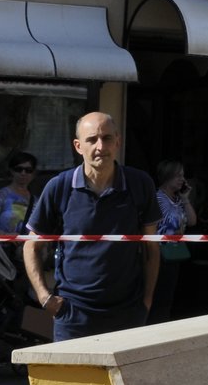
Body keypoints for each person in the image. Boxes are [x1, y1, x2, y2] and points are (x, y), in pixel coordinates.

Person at [23, 112, 159, 342]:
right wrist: (45, 297)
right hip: (73, 314)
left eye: (107, 138)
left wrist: (147, 300)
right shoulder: (60, 187)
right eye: (91, 139)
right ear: (78, 146)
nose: (100, 146)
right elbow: (31, 246)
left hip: (127, 312)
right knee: (70, 380)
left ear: (118, 141)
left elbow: (152, 250)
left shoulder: (140, 184)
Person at [150, 160, 197, 323]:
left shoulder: (176, 200)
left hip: (174, 253)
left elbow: (192, 221)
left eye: (183, 175)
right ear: (167, 176)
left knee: (169, 297)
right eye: (178, 175)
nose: (182, 180)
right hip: (160, 255)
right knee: (160, 298)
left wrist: (185, 199)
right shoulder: (157, 198)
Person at [0, 151, 37, 236]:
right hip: (3, 246)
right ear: (11, 171)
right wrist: (4, 234)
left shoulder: (36, 201)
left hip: (26, 247)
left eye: (28, 170)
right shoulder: (2, 195)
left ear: (33, 173)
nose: (23, 173)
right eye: (19, 169)